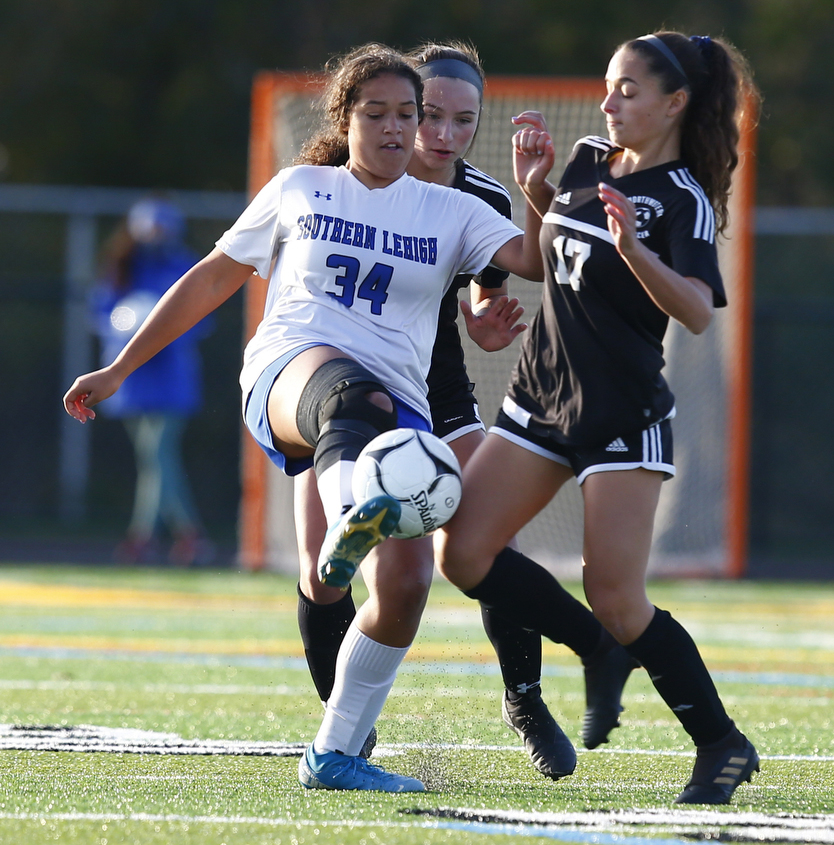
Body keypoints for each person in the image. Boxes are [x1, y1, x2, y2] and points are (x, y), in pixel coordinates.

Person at [63, 43, 546, 793]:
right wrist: (120, 367)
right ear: (344, 117)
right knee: (353, 398)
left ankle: (335, 753)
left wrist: (540, 190)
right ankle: (360, 506)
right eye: (378, 113)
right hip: (293, 377)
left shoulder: (454, 207)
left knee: (411, 577)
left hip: (401, 402)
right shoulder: (302, 188)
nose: (397, 128)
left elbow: (537, 262)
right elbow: (209, 280)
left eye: (406, 115)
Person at [438, 31, 762, 805]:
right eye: (609, 86)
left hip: (621, 413)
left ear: (675, 103)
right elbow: (562, 257)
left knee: (617, 598)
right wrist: (538, 190)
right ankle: (592, 652)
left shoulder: (681, 195)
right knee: (463, 552)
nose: (610, 102)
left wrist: (637, 249)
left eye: (629, 90)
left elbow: (695, 311)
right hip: (539, 397)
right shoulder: (587, 158)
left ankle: (721, 743)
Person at [291, 42, 585, 781]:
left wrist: (485, 314)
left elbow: (496, 279)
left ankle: (525, 697)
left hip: (433, 389)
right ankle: (348, 733)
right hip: (330, 386)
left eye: (463, 120)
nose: (442, 134)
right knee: (324, 573)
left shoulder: (480, 196)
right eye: (429, 115)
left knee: (487, 537)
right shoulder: (334, 181)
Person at [91, 198, 212, 566]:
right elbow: (100, 313)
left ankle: (147, 537)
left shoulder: (183, 265)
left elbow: (202, 318)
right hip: (132, 377)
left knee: (158, 453)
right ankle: (185, 536)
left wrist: (165, 333)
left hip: (172, 375)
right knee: (152, 458)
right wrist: (123, 329)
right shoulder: (121, 268)